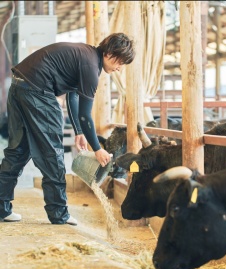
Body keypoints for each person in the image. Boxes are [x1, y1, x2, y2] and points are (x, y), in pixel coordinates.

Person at [0, 33, 135, 225]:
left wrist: (79, 131)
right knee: (53, 153)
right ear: (110, 53)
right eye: (120, 62)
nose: (120, 68)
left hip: (19, 85)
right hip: (37, 91)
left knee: (17, 150)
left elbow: (72, 95)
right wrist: (97, 148)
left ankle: (1, 208)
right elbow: (85, 115)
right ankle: (59, 214)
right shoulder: (90, 67)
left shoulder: (86, 55)